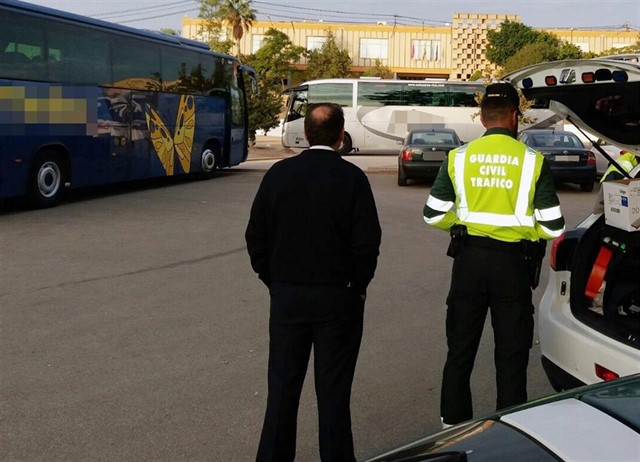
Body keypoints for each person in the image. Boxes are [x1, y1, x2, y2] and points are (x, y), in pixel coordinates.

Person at [423, 83, 566, 427]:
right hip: (512, 267)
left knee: (460, 350)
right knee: (512, 353)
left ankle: (453, 426)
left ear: (483, 117)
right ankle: (511, 427)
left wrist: (464, 224)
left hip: (469, 262)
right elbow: (552, 227)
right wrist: (523, 229)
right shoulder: (533, 162)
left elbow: (433, 214)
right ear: (515, 117)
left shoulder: (459, 157)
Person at [246, 102, 382, 462]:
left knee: (282, 390)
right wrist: (359, 284)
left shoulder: (278, 175)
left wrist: (273, 279)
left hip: (288, 296)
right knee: (334, 393)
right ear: (341, 136)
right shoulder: (353, 179)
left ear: (305, 133)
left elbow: (255, 236)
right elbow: (367, 243)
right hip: (339, 299)